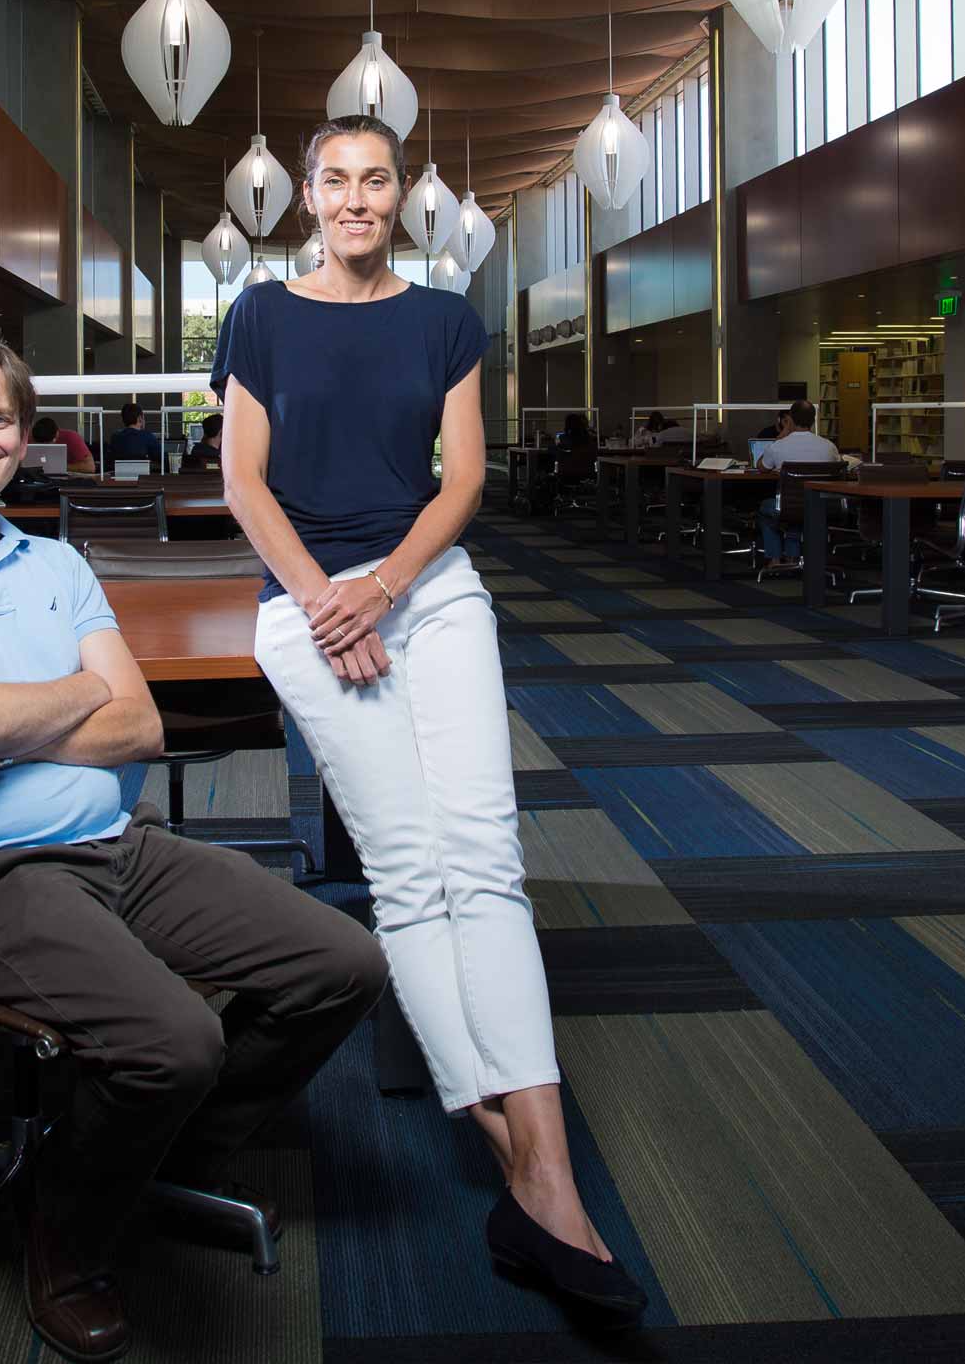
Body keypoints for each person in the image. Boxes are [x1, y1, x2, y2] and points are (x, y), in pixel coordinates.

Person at [0, 336, 387, 1362]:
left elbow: (144, 731)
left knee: (341, 963)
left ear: (26, 441)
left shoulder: (60, 561)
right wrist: (63, 700)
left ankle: (155, 1147)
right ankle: (66, 1236)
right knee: (176, 1040)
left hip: (119, 845)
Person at [209, 114, 649, 1321]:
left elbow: (463, 479)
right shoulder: (257, 315)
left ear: (404, 195)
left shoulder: (445, 317)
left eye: (377, 180)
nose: (358, 199)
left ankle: (539, 1172)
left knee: (486, 865)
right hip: (306, 606)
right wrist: (324, 603)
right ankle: (532, 1180)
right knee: (407, 871)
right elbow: (243, 478)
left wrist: (386, 590)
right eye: (337, 180)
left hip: (432, 597)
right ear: (304, 195)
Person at [754, 400, 842, 562]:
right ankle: (793, 556)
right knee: (799, 511)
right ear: (814, 420)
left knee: (767, 509)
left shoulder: (779, 446)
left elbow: (761, 466)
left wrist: (781, 436)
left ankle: (775, 560)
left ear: (791, 420)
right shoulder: (829, 446)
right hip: (821, 506)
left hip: (788, 506)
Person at [30, 414, 97, 475]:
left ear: (55, 436)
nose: (45, 447)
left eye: (47, 444)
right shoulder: (32, 438)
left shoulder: (72, 438)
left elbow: (90, 467)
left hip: (67, 480)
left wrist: (59, 467)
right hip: (39, 477)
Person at [106, 401, 164, 468]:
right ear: (140, 418)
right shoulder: (147, 437)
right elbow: (162, 459)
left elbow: (109, 461)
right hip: (143, 477)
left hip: (119, 477)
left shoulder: (115, 437)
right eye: (143, 417)